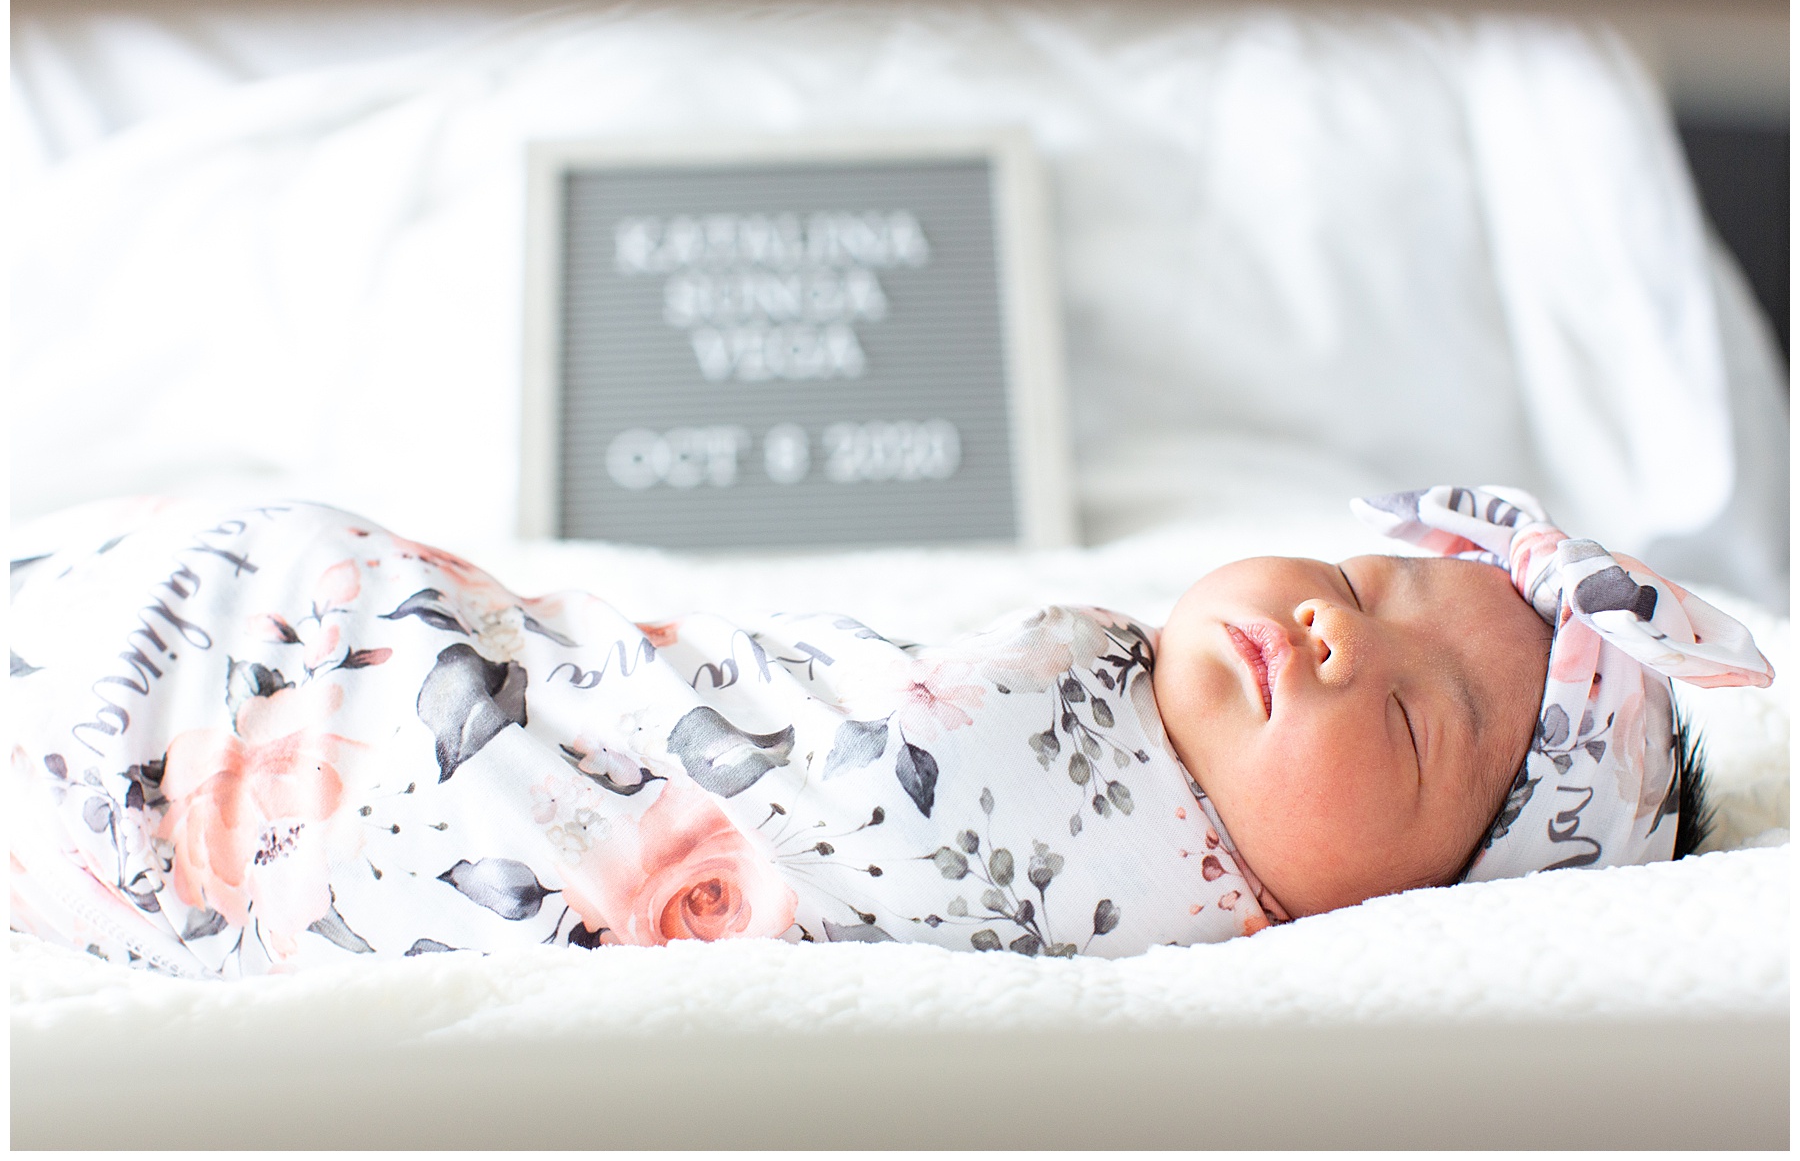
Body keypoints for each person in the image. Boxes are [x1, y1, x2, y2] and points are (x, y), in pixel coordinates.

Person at [8, 486, 1772, 978]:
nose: (1328, 632)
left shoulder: (1159, 884)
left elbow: (862, 797)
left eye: (1399, 723)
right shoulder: (1115, 694)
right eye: (1366, 587)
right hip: (366, 639)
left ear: (1388, 900)